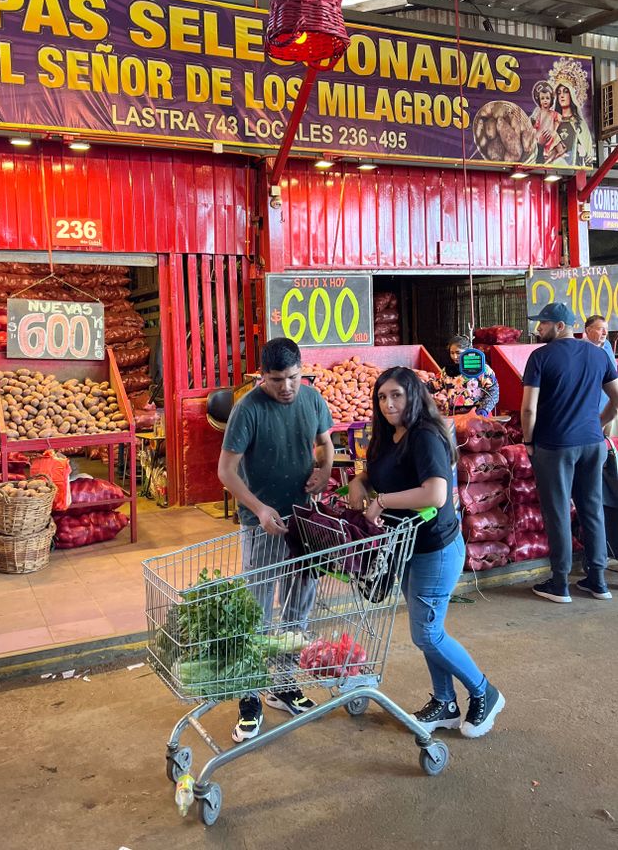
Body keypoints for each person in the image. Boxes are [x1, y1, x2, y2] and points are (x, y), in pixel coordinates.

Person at [347, 366, 505, 739]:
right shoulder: (389, 435)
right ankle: (446, 702)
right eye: (382, 397)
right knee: (427, 629)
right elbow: (381, 473)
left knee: (427, 634)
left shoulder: (426, 436)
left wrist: (381, 501)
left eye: (397, 395)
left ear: (414, 395)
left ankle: (485, 691)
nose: (388, 404)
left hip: (435, 547)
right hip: (406, 547)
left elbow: (434, 493)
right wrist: (359, 481)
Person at [217, 337, 334, 743]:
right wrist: (259, 508)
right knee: (259, 613)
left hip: (303, 521)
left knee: (298, 609)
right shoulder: (247, 410)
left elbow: (325, 443)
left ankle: (284, 685)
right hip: (262, 525)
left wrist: (326, 469)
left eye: (293, 377)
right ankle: (250, 697)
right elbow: (226, 472)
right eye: (276, 379)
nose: (287, 387)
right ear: (261, 377)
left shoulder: (312, 399)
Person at [521, 302, 618, 604]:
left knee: (558, 511)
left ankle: (560, 582)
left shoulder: (539, 357)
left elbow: (528, 407)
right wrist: (599, 423)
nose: (538, 329)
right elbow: (616, 398)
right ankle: (597, 580)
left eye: (543, 324)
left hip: (555, 446)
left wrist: (528, 441)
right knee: (592, 508)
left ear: (559, 326)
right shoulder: (598, 354)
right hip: (593, 445)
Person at [429, 335, 499, 416]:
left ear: (467, 352)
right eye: (452, 353)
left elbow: (493, 392)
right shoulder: (447, 371)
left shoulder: (483, 370)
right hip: (454, 415)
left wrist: (484, 409)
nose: (455, 357)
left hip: (478, 415)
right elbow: (434, 385)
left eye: (458, 353)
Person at [530, 81, 566, 164]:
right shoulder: (538, 112)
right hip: (541, 135)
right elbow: (535, 124)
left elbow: (557, 121)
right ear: (539, 100)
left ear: (551, 100)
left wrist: (553, 131)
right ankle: (543, 154)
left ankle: (560, 151)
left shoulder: (552, 113)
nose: (545, 101)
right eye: (542, 98)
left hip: (551, 134)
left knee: (555, 136)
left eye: (547, 98)